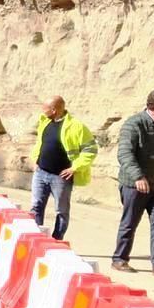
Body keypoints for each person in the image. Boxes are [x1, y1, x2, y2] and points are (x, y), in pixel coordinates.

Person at [113, 88, 154, 276]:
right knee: (129, 223)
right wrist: (138, 177)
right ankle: (120, 259)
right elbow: (125, 154)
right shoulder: (133, 124)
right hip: (135, 185)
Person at [29, 95, 97, 238]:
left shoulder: (77, 126)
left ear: (54, 110)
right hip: (41, 172)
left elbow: (90, 150)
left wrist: (75, 168)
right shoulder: (45, 122)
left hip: (60, 177)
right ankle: (36, 238)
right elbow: (40, 143)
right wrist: (35, 159)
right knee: (36, 207)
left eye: (45, 108)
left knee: (61, 211)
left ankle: (56, 240)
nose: (42, 111)